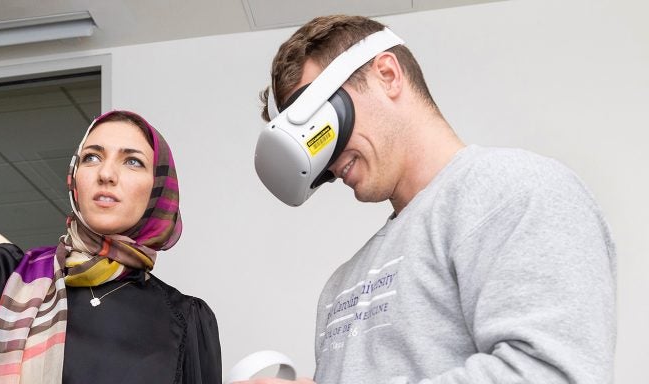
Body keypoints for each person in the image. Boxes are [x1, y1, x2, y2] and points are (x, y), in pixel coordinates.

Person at [242, 15, 616, 383]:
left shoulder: (517, 192)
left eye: (317, 129)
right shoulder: (340, 284)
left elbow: (549, 374)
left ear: (387, 75)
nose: (326, 157)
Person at [0, 33, 221, 383]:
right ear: (75, 177)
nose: (106, 174)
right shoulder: (7, 280)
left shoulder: (187, 320)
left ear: (159, 192)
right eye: (92, 157)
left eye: (132, 162)